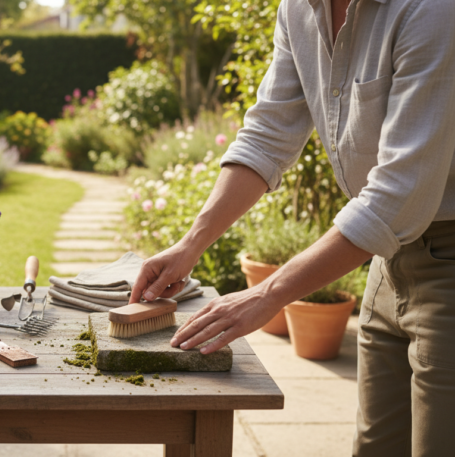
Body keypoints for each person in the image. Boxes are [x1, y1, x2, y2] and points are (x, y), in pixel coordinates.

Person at [128, 0, 455, 455]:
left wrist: (268, 293)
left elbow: (400, 194)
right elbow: (268, 135)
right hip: (389, 260)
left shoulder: (432, 10)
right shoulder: (298, 9)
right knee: (377, 446)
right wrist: (190, 244)